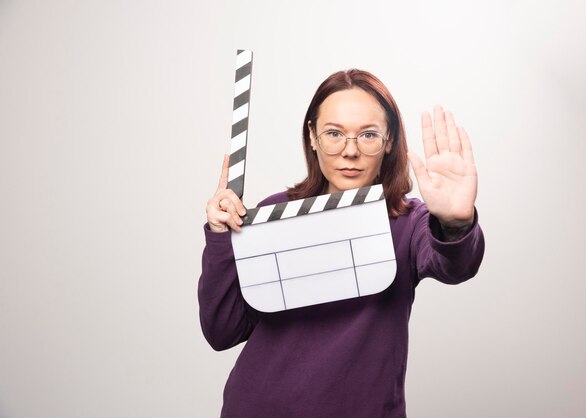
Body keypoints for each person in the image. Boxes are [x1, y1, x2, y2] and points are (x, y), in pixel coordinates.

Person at [199, 69, 485, 417]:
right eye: (334, 133)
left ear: (389, 140)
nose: (350, 151)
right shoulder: (275, 212)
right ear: (313, 137)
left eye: (367, 135)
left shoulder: (410, 223)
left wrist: (455, 222)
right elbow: (222, 330)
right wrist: (220, 237)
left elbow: (456, 265)